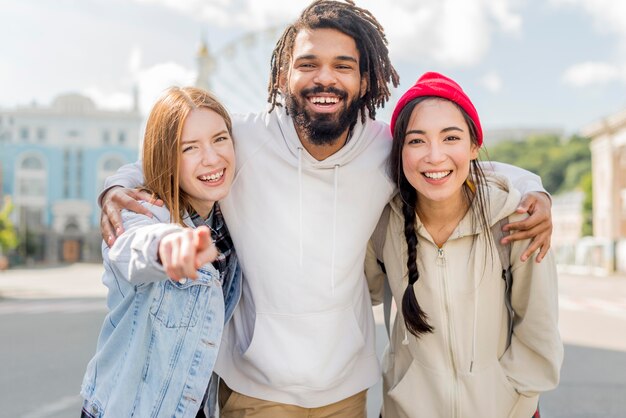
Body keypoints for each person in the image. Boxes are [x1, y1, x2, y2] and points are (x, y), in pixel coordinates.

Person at [98, 1, 553, 416]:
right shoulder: (239, 141)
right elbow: (173, 156)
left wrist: (536, 190)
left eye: (343, 66)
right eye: (308, 64)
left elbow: (452, 161)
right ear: (282, 75)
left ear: (366, 79)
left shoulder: (384, 150)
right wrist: (116, 187)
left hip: (345, 392)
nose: (325, 78)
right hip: (255, 391)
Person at [365, 72, 563, 418]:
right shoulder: (381, 224)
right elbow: (364, 293)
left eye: (450, 137)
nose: (434, 156)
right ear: (400, 152)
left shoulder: (517, 220)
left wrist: (511, 398)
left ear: (473, 146)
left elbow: (539, 332)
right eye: (416, 141)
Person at [80, 87, 242, 418]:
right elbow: (131, 248)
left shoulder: (229, 214)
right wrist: (168, 245)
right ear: (167, 157)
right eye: (189, 148)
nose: (211, 157)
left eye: (220, 139)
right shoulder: (141, 211)